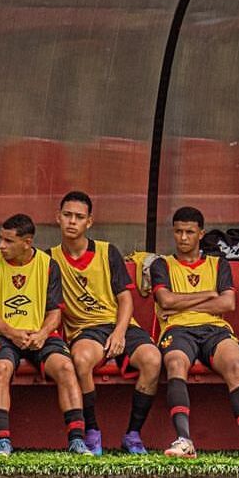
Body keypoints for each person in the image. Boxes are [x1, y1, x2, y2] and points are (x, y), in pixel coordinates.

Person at [151, 206, 239, 460]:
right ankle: (184, 440)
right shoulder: (163, 264)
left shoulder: (218, 264)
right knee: (174, 362)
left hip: (215, 329)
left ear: (201, 234)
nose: (183, 238)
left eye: (189, 232)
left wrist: (182, 301)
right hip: (178, 328)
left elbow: (227, 304)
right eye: (178, 232)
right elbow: (165, 300)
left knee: (236, 365)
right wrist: (207, 294)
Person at [51, 191, 161, 455]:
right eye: (67, 215)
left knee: (153, 359)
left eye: (79, 217)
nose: (72, 222)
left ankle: (133, 435)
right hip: (84, 330)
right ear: (58, 218)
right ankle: (91, 431)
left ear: (89, 221)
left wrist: (120, 332)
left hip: (120, 325)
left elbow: (126, 299)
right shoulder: (49, 258)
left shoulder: (107, 251)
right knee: (80, 360)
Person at [0, 214, 91, 456]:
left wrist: (43, 333)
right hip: (1, 334)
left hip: (40, 335)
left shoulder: (48, 265)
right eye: (1, 239)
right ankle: (2, 442)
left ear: (27, 242)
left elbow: (54, 313)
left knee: (66, 368)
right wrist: (13, 332)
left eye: (8, 241)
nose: (1, 246)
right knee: (1, 368)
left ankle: (77, 440)